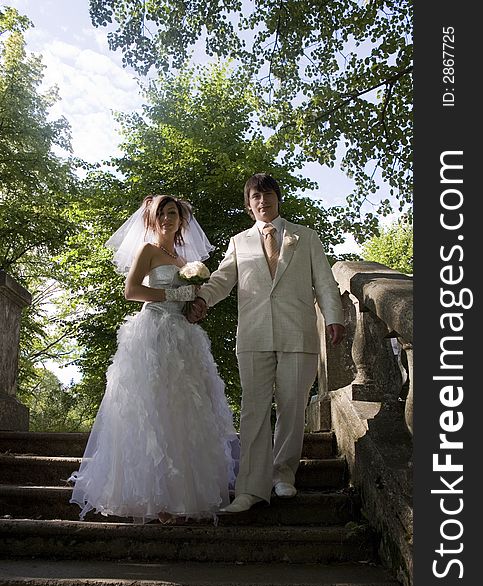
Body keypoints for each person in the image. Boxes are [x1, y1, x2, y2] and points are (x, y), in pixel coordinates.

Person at [69, 194, 238, 524]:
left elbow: (188, 298)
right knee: (154, 411)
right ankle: (155, 498)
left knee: (185, 412)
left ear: (181, 220)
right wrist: (173, 294)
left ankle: (181, 495)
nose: (166, 218)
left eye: (172, 213)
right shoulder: (147, 251)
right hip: (153, 336)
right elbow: (131, 290)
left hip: (183, 338)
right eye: (160, 214)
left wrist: (193, 305)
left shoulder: (184, 262)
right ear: (151, 219)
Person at [188, 173, 345, 513]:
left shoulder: (307, 237)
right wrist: (200, 301)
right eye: (256, 197)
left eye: (268, 194)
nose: (263, 201)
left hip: (299, 334)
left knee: (291, 407)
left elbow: (325, 282)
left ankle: (283, 474)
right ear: (249, 206)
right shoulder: (238, 242)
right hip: (254, 335)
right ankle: (250, 488)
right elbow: (221, 282)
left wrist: (334, 316)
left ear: (278, 198)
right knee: (254, 410)